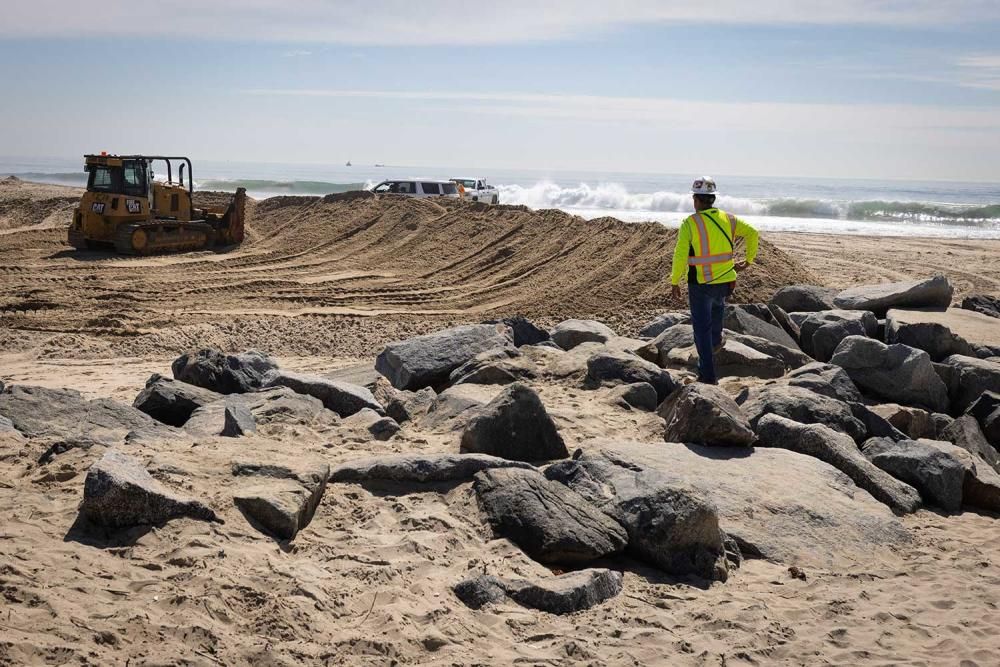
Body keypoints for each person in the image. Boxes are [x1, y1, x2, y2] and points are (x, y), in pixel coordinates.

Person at [670, 176, 759, 384]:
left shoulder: (690, 223)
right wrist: (749, 260)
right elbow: (753, 233)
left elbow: (680, 255)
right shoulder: (729, 219)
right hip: (725, 281)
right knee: (717, 313)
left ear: (696, 200)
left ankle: (708, 377)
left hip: (700, 284)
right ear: (712, 198)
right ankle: (717, 341)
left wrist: (675, 280)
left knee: (701, 330)